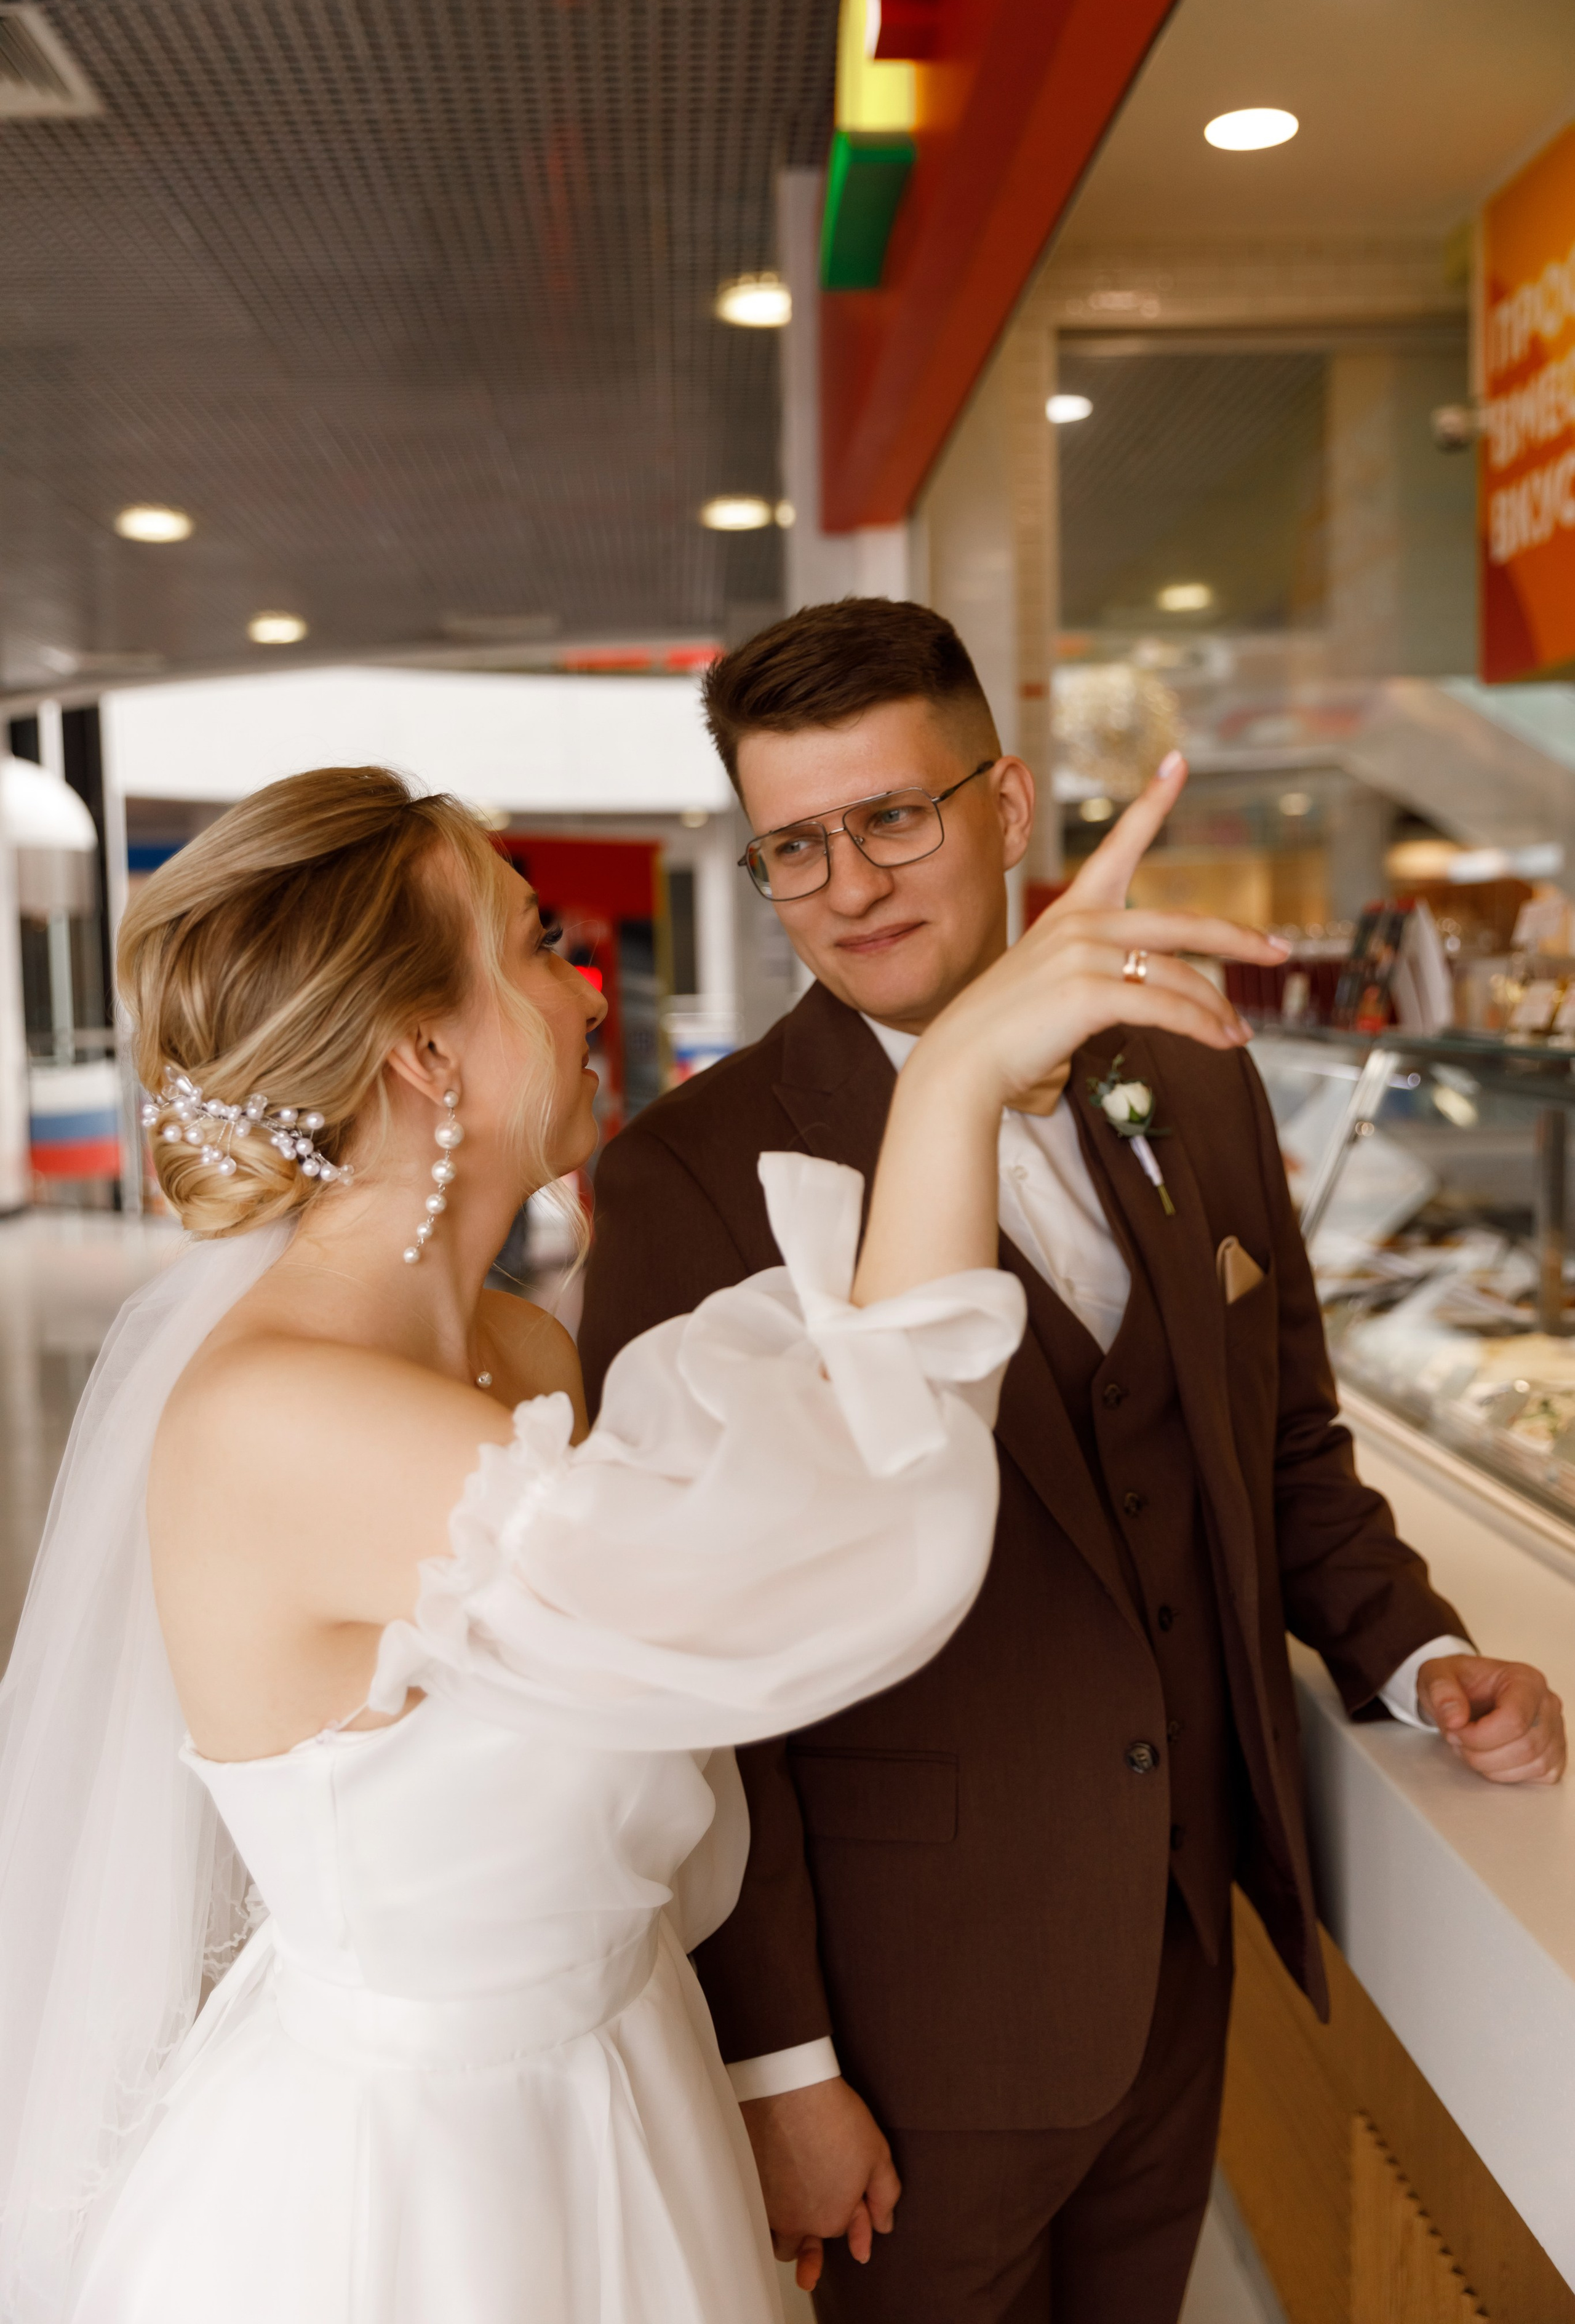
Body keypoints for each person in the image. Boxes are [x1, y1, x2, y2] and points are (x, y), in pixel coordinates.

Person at [0, 765, 1285, 2324]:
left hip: (625, 2070)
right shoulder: (285, 1421)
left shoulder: (521, 1354)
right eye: (536, 946)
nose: (588, 992)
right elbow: (840, 1557)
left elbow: (739, 1586)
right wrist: (952, 1080)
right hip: (430, 2181)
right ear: (422, 1051)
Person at [576, 597, 1567, 2324]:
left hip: (1180, 1954)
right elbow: (689, 1680)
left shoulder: (1187, 1073)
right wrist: (776, 2063)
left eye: (892, 817)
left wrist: (1416, 1653)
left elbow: (1283, 1440)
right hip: (903, 2014)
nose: (850, 886)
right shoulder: (690, 1174)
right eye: (794, 847)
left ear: (1009, 804)